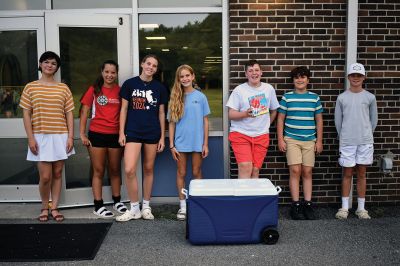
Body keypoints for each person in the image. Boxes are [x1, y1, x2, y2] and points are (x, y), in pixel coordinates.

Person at [19, 51, 75, 222]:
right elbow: (26, 114)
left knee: (58, 173)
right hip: (40, 136)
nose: (50, 65)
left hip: (60, 135)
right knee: (45, 176)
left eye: (53, 63)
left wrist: (70, 137)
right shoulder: (30, 87)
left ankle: (55, 208)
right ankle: (45, 207)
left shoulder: (63, 88)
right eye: (47, 62)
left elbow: (69, 114)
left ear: (57, 68)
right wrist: (30, 138)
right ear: (41, 64)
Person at [116, 54, 168, 222]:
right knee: (129, 169)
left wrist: (162, 137)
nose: (150, 67)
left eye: (154, 65)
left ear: (156, 69)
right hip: (133, 131)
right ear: (142, 64)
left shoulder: (159, 87)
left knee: (148, 169)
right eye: (148, 63)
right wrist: (121, 132)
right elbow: (123, 110)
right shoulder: (129, 84)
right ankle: (134, 208)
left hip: (152, 132)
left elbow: (161, 113)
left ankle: (146, 206)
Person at [79, 60, 127, 218]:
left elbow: (124, 113)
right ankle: (98, 205)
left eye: (113, 72)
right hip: (97, 135)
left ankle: (117, 201)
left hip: (115, 135)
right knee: (98, 171)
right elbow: (84, 112)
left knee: (114, 170)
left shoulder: (120, 91)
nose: (110, 75)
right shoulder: (94, 90)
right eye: (107, 72)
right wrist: (82, 134)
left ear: (117, 73)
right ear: (102, 72)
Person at [277, 66, 323, 220]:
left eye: (303, 77)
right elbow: (281, 119)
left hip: (310, 140)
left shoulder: (314, 98)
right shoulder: (287, 97)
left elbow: (319, 120)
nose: (300, 80)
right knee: (295, 171)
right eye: (296, 77)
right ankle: (296, 204)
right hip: (291, 140)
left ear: (308, 80)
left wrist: (319, 141)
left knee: (307, 172)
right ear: (293, 80)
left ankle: (308, 204)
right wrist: (280, 139)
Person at [334, 63, 378, 220]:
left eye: (359, 76)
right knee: (347, 173)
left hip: (365, 141)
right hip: (347, 141)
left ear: (364, 77)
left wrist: (365, 134)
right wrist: (345, 136)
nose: (356, 78)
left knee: (361, 173)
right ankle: (344, 208)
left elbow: (373, 121)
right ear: (348, 77)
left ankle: (361, 208)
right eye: (353, 75)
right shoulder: (342, 98)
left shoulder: (370, 97)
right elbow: (338, 122)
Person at [168, 65, 210, 221]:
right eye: (181, 76)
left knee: (197, 172)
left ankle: (198, 204)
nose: (185, 79)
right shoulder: (175, 97)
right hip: (180, 143)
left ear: (193, 76)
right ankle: (183, 206)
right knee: (181, 173)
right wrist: (171, 145)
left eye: (187, 75)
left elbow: (205, 121)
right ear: (178, 79)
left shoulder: (201, 97)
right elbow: (171, 123)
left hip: (197, 143)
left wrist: (205, 143)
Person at [226, 59, 279, 179]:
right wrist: (245, 114)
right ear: (246, 74)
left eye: (256, 70)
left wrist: (267, 124)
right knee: (245, 166)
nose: (254, 73)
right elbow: (231, 114)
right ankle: (242, 197)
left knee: (255, 170)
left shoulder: (268, 89)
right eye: (250, 70)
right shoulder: (239, 90)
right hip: (241, 133)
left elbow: (274, 110)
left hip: (261, 135)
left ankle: (253, 197)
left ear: (261, 72)